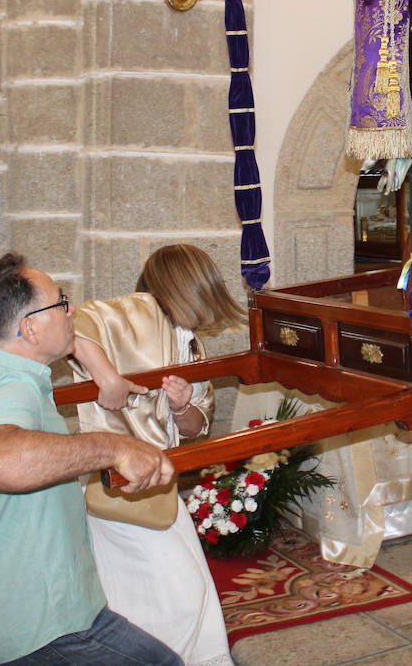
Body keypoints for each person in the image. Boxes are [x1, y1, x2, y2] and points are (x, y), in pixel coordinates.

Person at [0, 252, 180, 666]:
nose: (72, 310)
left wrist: (102, 372)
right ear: (28, 328)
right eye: (61, 302)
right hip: (40, 624)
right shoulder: (9, 386)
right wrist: (115, 446)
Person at [70, 244, 242, 666]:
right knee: (176, 591)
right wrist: (107, 376)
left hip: (157, 485)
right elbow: (66, 324)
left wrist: (183, 407)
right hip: (118, 480)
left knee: (163, 590)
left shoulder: (191, 341)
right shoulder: (137, 312)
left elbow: (198, 425)